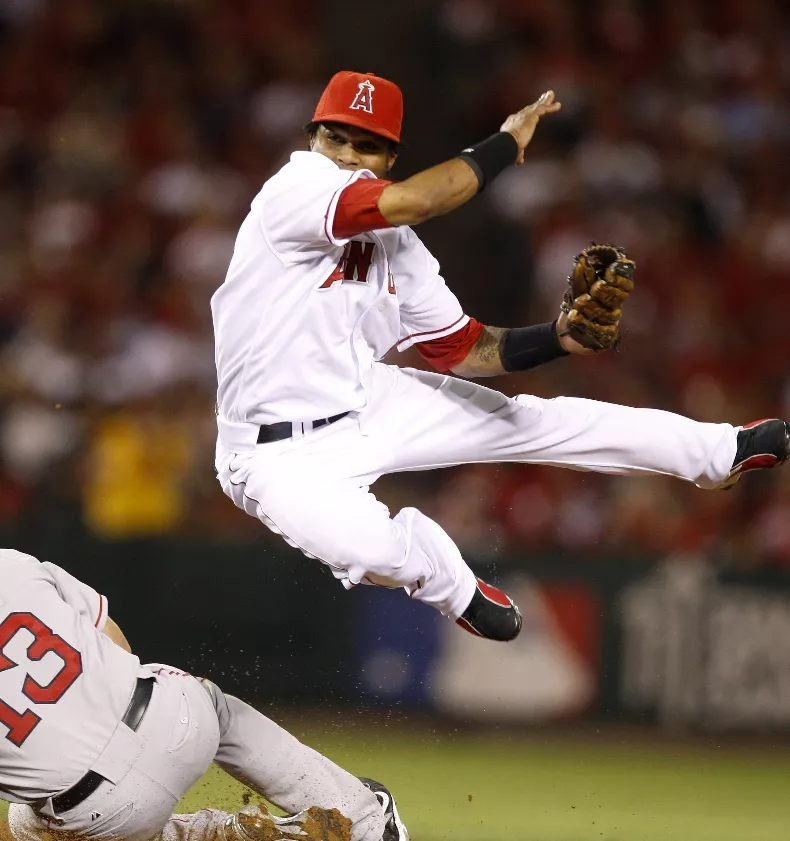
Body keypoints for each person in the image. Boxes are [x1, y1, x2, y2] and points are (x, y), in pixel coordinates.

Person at [211, 70, 790, 644]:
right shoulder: (295, 190)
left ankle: (719, 452)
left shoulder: (398, 247)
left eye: (366, 146)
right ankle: (456, 589)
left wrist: (558, 337)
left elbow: (462, 349)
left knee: (532, 420)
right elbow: (421, 198)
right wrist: (507, 142)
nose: (346, 155)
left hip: (366, 400)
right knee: (373, 552)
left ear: (389, 157)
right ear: (312, 138)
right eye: (335, 137)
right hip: (274, 453)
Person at [0, 549, 408, 841]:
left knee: (32, 823)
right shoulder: (10, 565)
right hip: (173, 718)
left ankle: (236, 834)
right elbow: (116, 642)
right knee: (212, 705)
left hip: (99, 811)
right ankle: (364, 821)